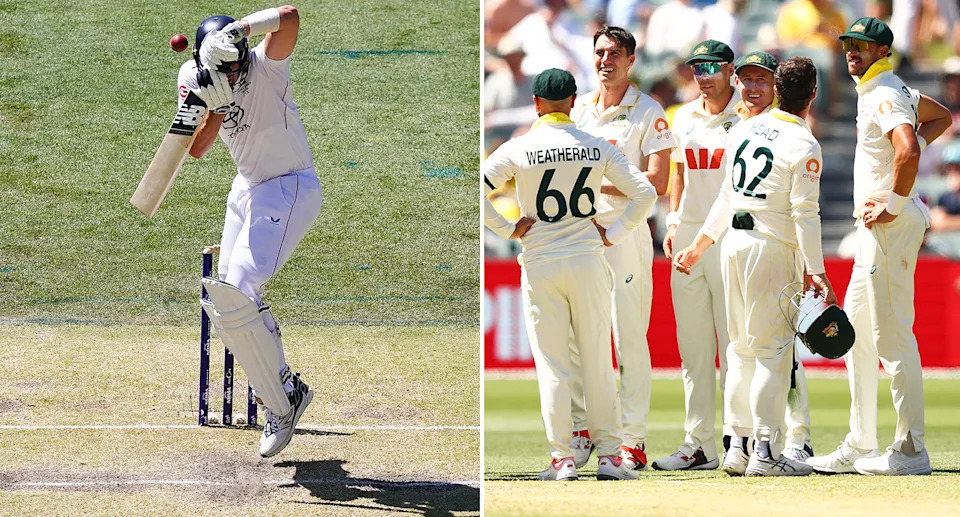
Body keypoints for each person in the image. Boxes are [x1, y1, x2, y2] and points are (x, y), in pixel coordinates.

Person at [483, 68, 657, 481]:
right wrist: (614, 234)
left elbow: (474, 188)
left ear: (536, 103)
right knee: (598, 360)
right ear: (573, 102)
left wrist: (507, 229)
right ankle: (611, 458)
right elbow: (646, 193)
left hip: (541, 261)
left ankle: (562, 459)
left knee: (554, 366)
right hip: (587, 259)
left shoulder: (519, 147)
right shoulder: (595, 145)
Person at [806, 17, 952, 476]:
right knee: (857, 336)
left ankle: (911, 450)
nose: (853, 51)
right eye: (849, 43)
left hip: (888, 225)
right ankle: (861, 441)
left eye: (863, 45)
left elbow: (908, 149)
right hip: (878, 227)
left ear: (883, 50)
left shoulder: (884, 92)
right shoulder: (886, 89)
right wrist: (895, 188)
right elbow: (941, 117)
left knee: (892, 336)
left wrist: (893, 202)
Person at [674, 56, 832, 477]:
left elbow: (726, 196)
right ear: (814, 95)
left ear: (777, 90)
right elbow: (805, 213)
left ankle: (737, 449)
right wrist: (816, 270)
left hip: (732, 244)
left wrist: (700, 244)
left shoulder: (744, 128)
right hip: (771, 247)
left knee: (739, 351)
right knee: (772, 353)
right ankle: (765, 451)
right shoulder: (804, 144)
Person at [179, 6, 322, 457]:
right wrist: (214, 108)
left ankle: (280, 404)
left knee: (240, 288)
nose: (236, 74)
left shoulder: (265, 65)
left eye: (238, 64)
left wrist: (241, 29)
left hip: (289, 185)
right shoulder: (193, 77)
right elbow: (196, 148)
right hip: (247, 188)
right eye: (226, 69)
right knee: (227, 300)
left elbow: (291, 17)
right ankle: (287, 388)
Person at [566, 25, 673, 472]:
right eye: (599, 52)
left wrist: (599, 182)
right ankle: (583, 430)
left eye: (614, 53)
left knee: (628, 338)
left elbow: (659, 182)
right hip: (580, 233)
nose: (605, 60)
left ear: (631, 60)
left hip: (625, 233)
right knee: (579, 339)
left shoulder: (648, 111)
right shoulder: (579, 110)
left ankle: (633, 439)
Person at [655, 40, 740, 472]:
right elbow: (679, 172)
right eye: (696, 68)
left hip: (730, 238)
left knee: (735, 346)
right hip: (687, 237)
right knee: (693, 348)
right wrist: (673, 223)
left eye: (710, 67)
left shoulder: (747, 115)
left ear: (729, 70)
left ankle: (740, 438)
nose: (703, 76)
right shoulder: (683, 116)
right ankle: (699, 444)